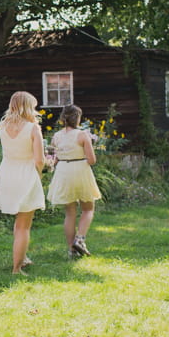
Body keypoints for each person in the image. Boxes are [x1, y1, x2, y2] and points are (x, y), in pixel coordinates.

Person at [0, 91, 45, 275]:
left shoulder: (2, 125)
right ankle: (17, 269)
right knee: (24, 225)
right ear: (27, 106)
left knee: (18, 222)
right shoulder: (33, 128)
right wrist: (39, 175)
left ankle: (22, 257)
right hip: (25, 174)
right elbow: (39, 159)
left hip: (6, 174)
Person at [47, 104, 102, 258]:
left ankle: (71, 250)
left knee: (70, 213)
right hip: (80, 170)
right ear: (77, 118)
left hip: (63, 171)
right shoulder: (83, 135)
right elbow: (91, 160)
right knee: (88, 208)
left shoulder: (56, 136)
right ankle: (80, 239)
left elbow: (55, 158)